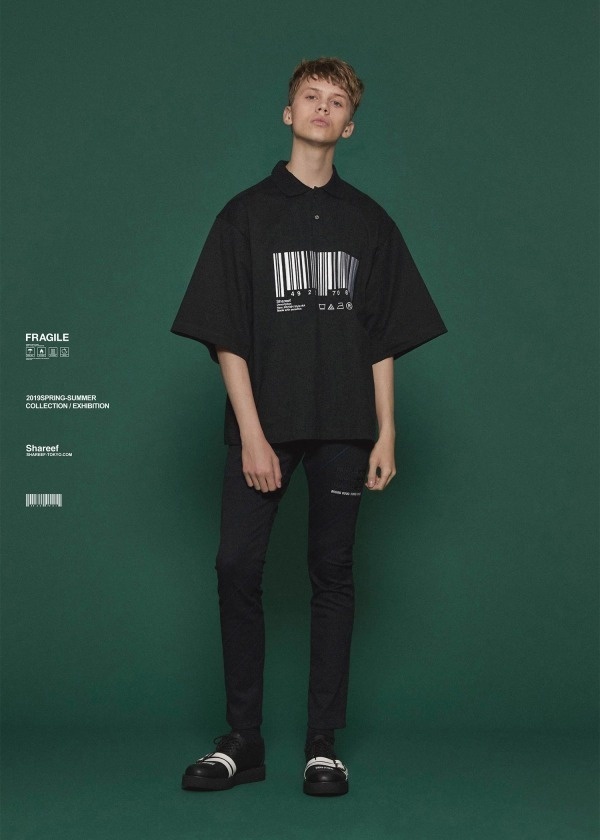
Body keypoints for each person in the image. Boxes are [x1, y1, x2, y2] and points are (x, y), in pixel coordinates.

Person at [171, 57, 447, 796]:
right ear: (288, 114)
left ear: (349, 125)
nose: (323, 107)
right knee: (237, 567)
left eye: (337, 101)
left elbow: (382, 336)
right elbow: (226, 334)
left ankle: (322, 746)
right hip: (266, 423)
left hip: (345, 427)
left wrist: (386, 431)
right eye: (311, 97)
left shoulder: (370, 222)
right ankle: (243, 741)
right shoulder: (244, 215)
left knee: (333, 573)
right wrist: (252, 434)